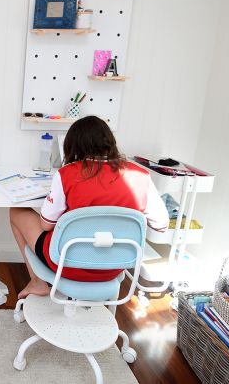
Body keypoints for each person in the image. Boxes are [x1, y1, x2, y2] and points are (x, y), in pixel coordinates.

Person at [9, 116, 169, 299]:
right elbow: (162, 225)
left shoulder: (67, 174)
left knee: (16, 211)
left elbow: (46, 225)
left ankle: (37, 282)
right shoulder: (141, 176)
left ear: (73, 145)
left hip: (67, 264)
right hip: (114, 267)